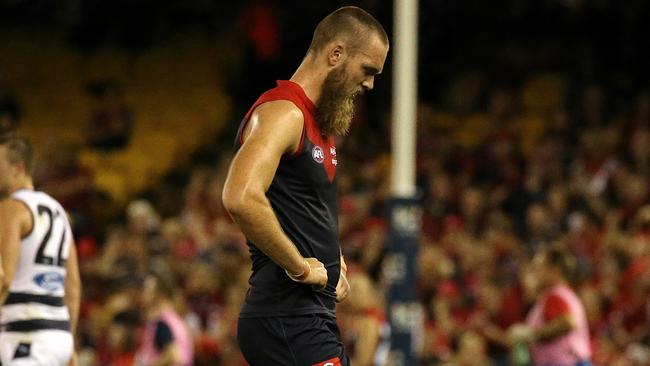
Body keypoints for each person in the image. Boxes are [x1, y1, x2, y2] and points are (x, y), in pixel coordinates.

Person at [222, 6, 389, 365]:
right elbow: (240, 196)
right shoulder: (285, 113)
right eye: (368, 70)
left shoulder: (316, 122)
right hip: (286, 318)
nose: (370, 84)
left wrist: (334, 260)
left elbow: (300, 208)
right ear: (336, 54)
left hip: (308, 317)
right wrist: (299, 266)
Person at [0, 134, 81, 365]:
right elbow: (73, 287)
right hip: (59, 338)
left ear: (18, 168)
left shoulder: (10, 209)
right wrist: (70, 341)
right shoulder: (61, 212)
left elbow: (4, 278)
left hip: (26, 334)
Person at [508, 246, 592, 366]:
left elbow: (568, 322)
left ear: (555, 270)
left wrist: (531, 335)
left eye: (539, 267)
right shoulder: (562, 294)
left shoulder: (555, 295)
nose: (535, 272)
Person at [135, 262, 194, 366]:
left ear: (159, 295)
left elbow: (174, 355)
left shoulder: (163, 323)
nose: (142, 294)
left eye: (147, 290)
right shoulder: (175, 320)